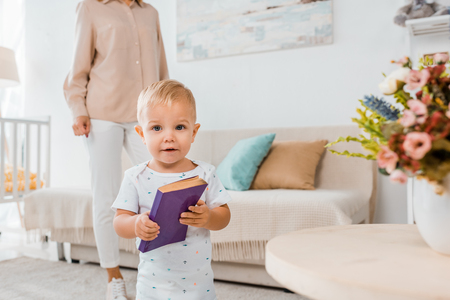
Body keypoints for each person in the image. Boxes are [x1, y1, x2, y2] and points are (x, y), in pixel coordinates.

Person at [63, 0, 169, 299]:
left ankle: (157, 270)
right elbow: (78, 68)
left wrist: (167, 113)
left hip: (146, 116)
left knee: (161, 188)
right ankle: (114, 277)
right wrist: (77, 109)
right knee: (107, 196)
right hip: (102, 113)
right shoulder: (90, 8)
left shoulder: (150, 13)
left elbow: (161, 69)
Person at [112, 79, 231, 300]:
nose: (169, 136)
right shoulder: (135, 177)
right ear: (141, 134)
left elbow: (224, 217)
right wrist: (136, 223)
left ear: (194, 132)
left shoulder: (205, 173)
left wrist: (208, 217)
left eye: (180, 127)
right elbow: (119, 223)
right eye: (156, 128)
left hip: (198, 283)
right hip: (152, 284)